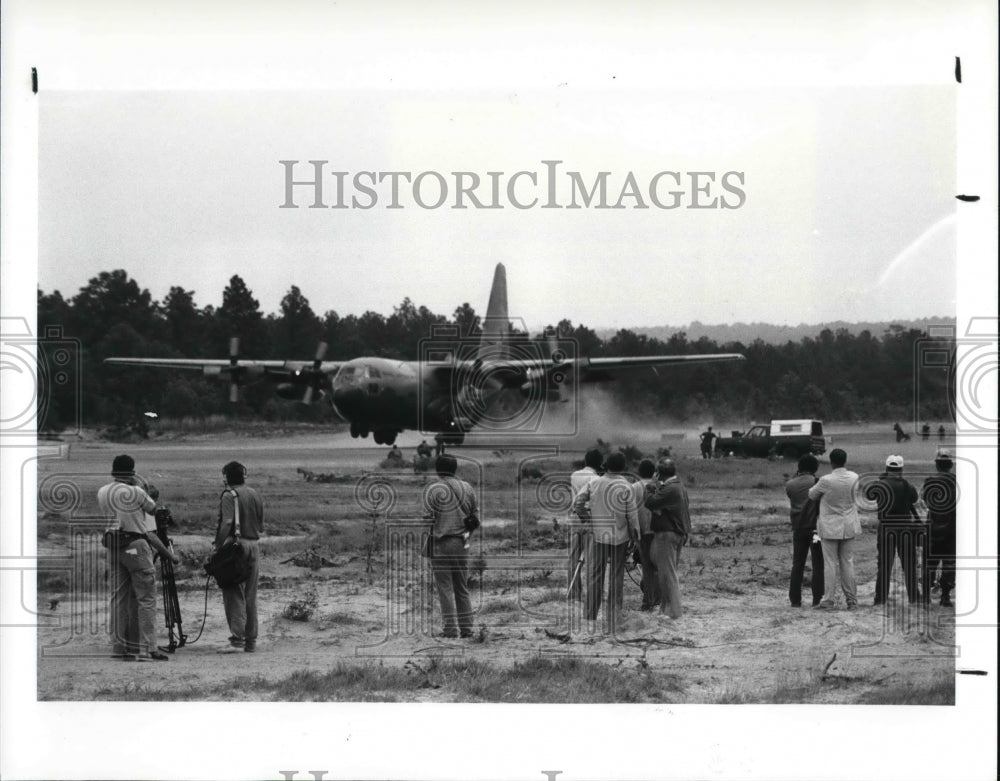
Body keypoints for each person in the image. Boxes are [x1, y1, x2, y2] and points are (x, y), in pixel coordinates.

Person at [97, 454, 178, 661]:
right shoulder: (135, 491)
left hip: (114, 547)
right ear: (132, 472)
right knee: (147, 598)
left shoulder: (103, 491)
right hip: (135, 547)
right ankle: (147, 648)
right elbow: (153, 509)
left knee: (118, 599)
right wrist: (140, 484)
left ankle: (118, 646)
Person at [573, 451, 638, 626]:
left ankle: (590, 615)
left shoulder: (594, 483)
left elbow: (577, 504)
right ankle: (614, 616)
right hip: (620, 537)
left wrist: (588, 520)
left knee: (595, 575)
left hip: (598, 536)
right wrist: (634, 538)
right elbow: (632, 516)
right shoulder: (626, 486)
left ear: (606, 465)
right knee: (616, 576)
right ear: (623, 467)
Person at [425, 454, 477, 638]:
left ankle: (450, 629)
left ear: (438, 469)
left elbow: (427, 519)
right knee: (461, 587)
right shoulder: (467, 488)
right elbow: (475, 517)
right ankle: (467, 628)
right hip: (462, 543)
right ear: (455, 468)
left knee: (445, 588)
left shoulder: (433, 489)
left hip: (441, 543)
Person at [215, 461, 265, 653]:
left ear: (226, 477)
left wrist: (219, 547)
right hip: (254, 545)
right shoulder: (255, 494)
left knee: (232, 590)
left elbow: (227, 523)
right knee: (250, 594)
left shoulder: (229, 495)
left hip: (237, 547)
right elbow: (261, 526)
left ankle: (238, 637)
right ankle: (251, 640)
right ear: (244, 475)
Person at [808, 448, 861, 610]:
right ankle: (851, 600)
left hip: (830, 527)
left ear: (831, 461)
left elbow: (811, 495)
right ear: (845, 460)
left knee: (830, 564)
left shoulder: (826, 480)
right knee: (847, 563)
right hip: (849, 525)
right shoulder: (854, 477)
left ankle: (829, 600)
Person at [867, 455, 922, 605]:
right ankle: (914, 597)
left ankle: (880, 598)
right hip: (905, 528)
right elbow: (914, 499)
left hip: (886, 528)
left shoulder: (880, 485)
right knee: (909, 564)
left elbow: (869, 494)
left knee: (884, 565)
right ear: (901, 469)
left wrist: (881, 479)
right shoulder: (907, 485)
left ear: (886, 468)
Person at [643, 458, 691, 620]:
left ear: (659, 473)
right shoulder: (679, 486)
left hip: (667, 535)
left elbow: (649, 502)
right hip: (677, 533)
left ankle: (675, 614)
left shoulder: (670, 489)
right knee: (666, 573)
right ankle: (666, 610)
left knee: (667, 575)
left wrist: (650, 486)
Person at [785, 454, 824, 607]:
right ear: (815, 468)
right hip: (815, 529)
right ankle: (817, 598)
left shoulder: (790, 484)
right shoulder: (818, 483)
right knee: (818, 564)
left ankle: (795, 600)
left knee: (797, 564)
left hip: (798, 528)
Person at [567, 448, 603, 600]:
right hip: (589, 518)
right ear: (599, 463)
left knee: (574, 557)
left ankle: (574, 593)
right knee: (591, 558)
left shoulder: (574, 475)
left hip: (575, 517)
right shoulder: (595, 479)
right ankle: (591, 593)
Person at [922, 448, 957, 607]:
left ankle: (925, 596)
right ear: (950, 465)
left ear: (937, 465)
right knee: (949, 562)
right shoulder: (957, 482)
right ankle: (945, 597)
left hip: (933, 527)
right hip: (952, 528)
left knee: (930, 561)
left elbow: (926, 501)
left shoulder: (930, 481)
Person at [630, 459, 660, 610]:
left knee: (647, 568)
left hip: (642, 532)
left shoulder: (634, 488)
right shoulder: (659, 487)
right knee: (659, 567)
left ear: (639, 472)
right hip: (660, 531)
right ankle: (658, 599)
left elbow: (630, 511)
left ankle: (648, 602)